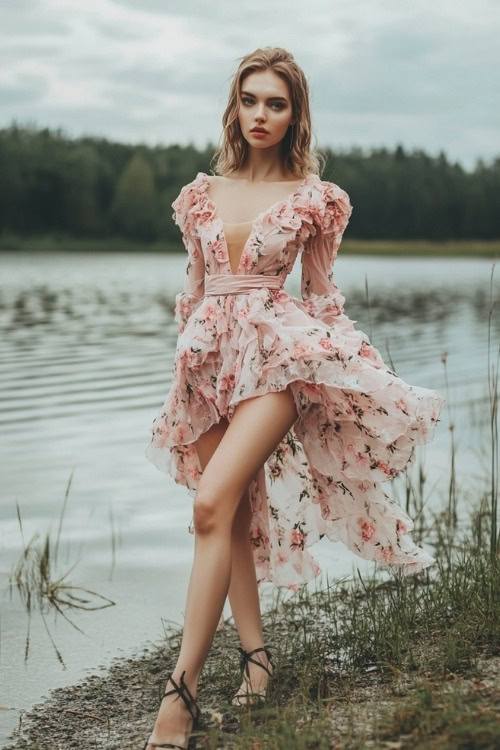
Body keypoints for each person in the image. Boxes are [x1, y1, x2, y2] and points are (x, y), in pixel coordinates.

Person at [143, 46, 445, 750]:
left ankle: (178, 694)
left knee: (209, 504)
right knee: (235, 510)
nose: (260, 114)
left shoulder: (315, 197)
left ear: (294, 114)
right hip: (206, 360)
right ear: (235, 105)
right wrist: (186, 360)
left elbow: (322, 295)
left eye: (275, 103)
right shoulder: (199, 195)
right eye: (250, 99)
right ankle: (256, 664)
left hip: (280, 358)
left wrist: (349, 367)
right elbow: (192, 289)